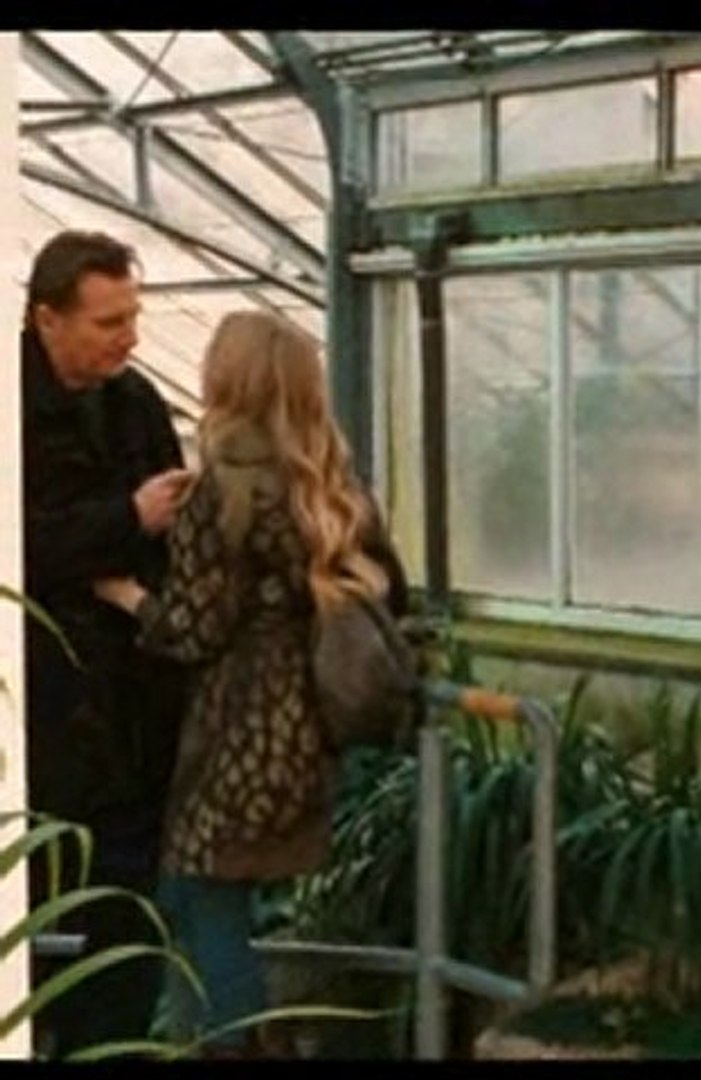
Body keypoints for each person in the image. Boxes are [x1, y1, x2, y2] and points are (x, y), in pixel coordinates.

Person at [94, 310, 408, 1059]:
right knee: (193, 898)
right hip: (304, 736)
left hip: (239, 737)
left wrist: (127, 596)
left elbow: (194, 630)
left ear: (229, 381)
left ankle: (230, 1047)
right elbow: (392, 594)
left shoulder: (225, 494)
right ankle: (207, 1041)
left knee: (205, 905)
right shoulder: (331, 489)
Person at [20, 229, 194, 1056]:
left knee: (123, 918)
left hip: (132, 713)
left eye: (133, 315)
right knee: (43, 904)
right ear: (46, 319)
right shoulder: (13, 409)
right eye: (109, 321)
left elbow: (164, 542)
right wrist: (127, 518)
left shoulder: (136, 404)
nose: (129, 336)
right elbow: (20, 544)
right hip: (38, 714)